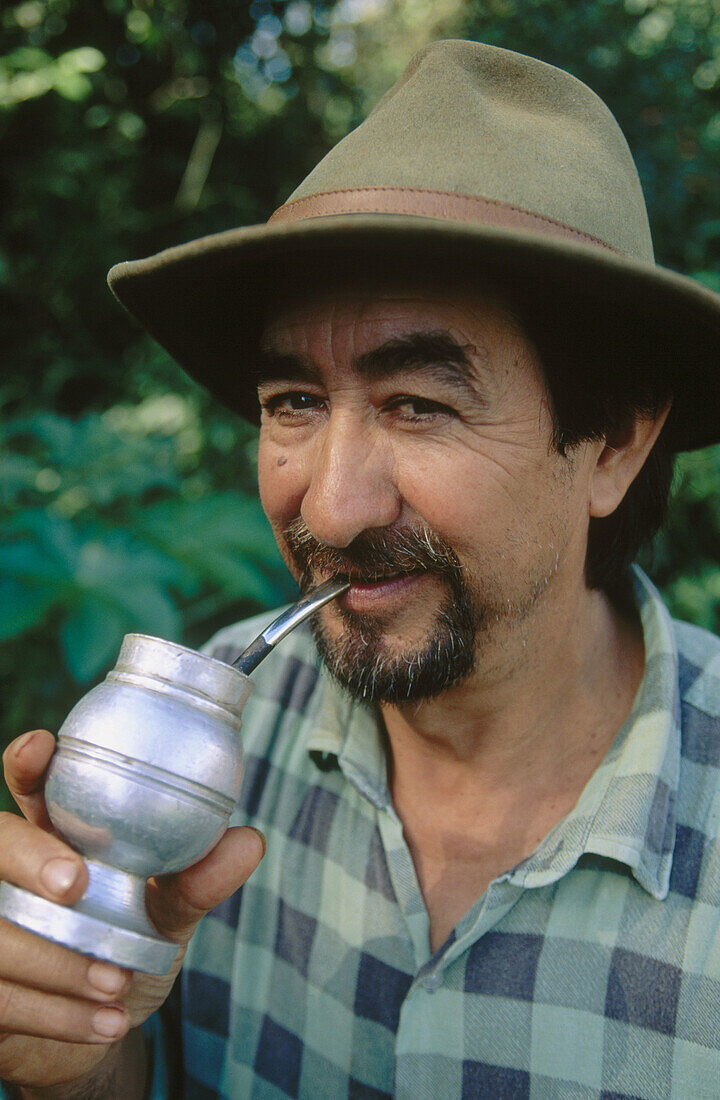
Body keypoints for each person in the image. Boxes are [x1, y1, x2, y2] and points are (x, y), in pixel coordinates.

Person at [2, 38, 720, 1099]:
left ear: (612, 443)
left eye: (420, 405)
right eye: (292, 402)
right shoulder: (204, 735)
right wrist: (83, 1048)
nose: (330, 506)